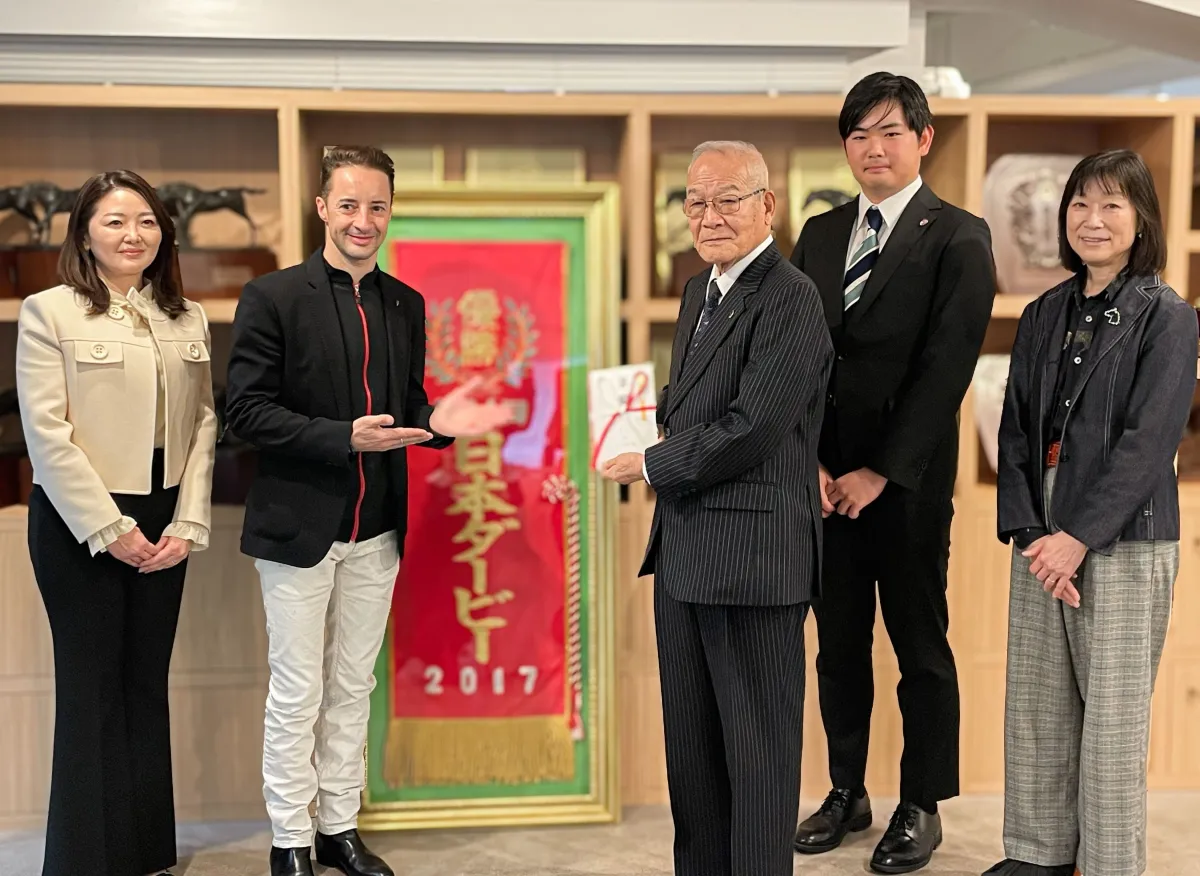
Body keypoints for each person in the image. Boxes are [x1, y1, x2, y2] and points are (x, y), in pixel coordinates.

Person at [225, 146, 516, 876]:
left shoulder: (404, 303)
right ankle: (290, 838)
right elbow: (245, 413)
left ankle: (338, 827)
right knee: (299, 690)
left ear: (390, 211)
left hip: (377, 525)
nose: (364, 220)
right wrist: (340, 438)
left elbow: (408, 407)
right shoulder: (271, 297)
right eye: (349, 205)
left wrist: (442, 421)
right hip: (297, 526)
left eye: (377, 207)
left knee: (355, 685)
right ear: (322, 207)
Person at [600, 140, 832, 876]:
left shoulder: (791, 297)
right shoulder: (701, 289)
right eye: (695, 201)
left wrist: (650, 462)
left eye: (728, 199)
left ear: (768, 206)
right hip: (685, 554)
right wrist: (631, 421)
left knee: (757, 762)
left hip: (754, 564)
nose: (709, 216)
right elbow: (691, 406)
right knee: (694, 761)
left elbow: (754, 426)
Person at [789, 71, 995, 873]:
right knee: (837, 647)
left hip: (905, 485)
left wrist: (878, 471)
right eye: (859, 134)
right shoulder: (819, 233)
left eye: (890, 132)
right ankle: (847, 790)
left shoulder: (959, 236)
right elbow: (798, 355)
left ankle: (921, 804)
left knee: (920, 648)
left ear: (923, 140)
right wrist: (810, 459)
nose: (874, 148)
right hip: (823, 486)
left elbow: (947, 370)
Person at [988, 150, 1197, 876]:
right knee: (1037, 706)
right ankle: (1039, 856)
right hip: (1041, 532)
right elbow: (1015, 430)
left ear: (1141, 219)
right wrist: (1031, 532)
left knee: (1111, 720)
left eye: (1112, 204)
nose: (1093, 219)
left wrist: (1077, 538)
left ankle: (1108, 864)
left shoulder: (1168, 316)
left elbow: (1151, 442)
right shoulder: (1044, 311)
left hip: (1123, 533)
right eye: (1080, 203)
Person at [16, 170, 217, 876]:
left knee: (143, 683)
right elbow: (47, 435)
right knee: (91, 688)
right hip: (80, 523)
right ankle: (84, 862)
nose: (133, 234)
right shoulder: (49, 312)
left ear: (165, 233)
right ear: (84, 234)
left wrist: (189, 522)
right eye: (114, 221)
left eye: (147, 221)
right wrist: (109, 527)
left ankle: (144, 853)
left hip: (166, 520)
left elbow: (204, 423)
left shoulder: (186, 317)